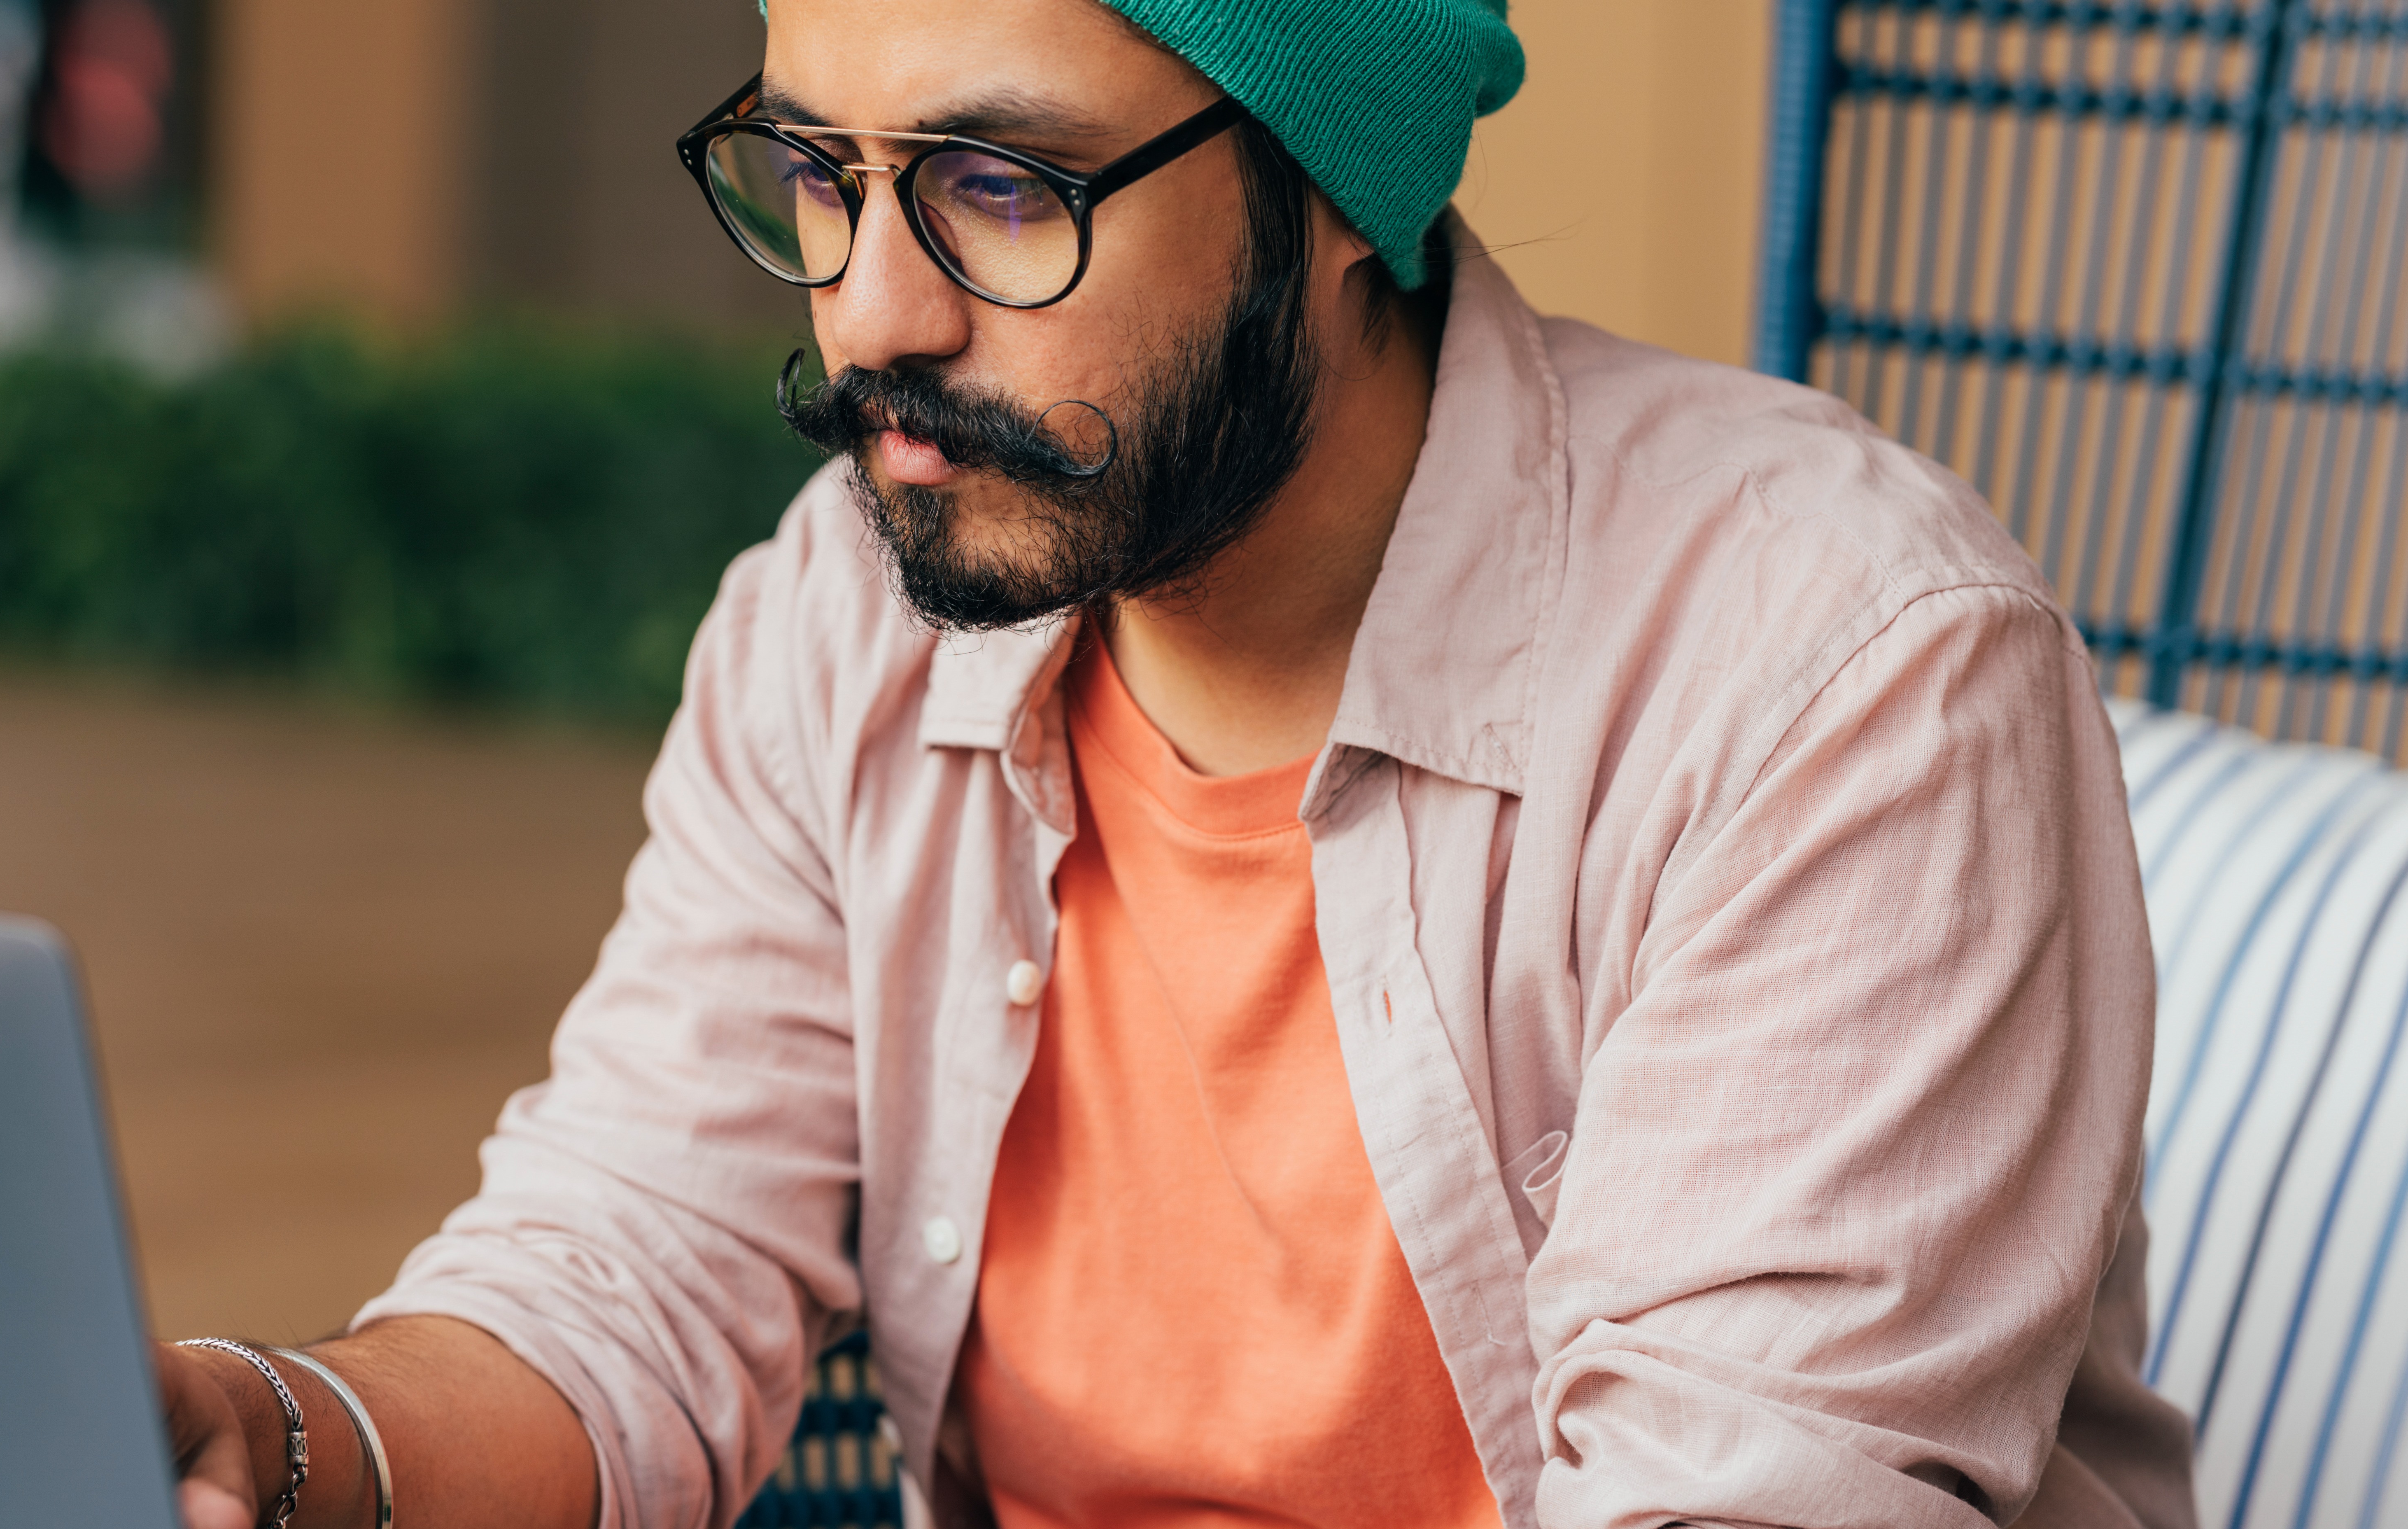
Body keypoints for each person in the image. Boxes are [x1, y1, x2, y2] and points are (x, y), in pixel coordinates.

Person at [155, 0, 2199, 1524]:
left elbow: (1743, 1490)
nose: (870, 317)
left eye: (996, 187)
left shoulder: (1831, 673)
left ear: (1328, 187)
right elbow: (630, 1267)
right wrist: (276, 1431)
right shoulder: (838, 625)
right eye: (815, 175)